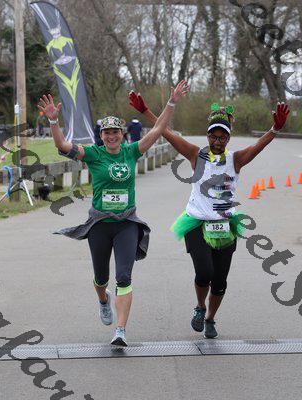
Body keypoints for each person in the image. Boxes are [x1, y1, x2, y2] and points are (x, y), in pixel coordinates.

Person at [39, 80, 190, 346]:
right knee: (101, 278)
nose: (111, 136)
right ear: (102, 135)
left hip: (126, 224)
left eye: (115, 132)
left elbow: (158, 129)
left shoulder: (131, 152)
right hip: (100, 224)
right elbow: (62, 145)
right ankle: (103, 299)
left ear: (122, 134)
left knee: (124, 276)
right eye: (107, 133)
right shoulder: (93, 154)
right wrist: (53, 121)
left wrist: (172, 102)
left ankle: (120, 330)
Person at [130, 92, 289, 338]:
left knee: (220, 280)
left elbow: (258, 146)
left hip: (225, 224)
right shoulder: (196, 155)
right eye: (213, 137)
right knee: (204, 272)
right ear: (208, 136)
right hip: (197, 223)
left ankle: (211, 318)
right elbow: (166, 132)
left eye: (222, 137)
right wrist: (145, 112)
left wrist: (274, 130)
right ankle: (200, 306)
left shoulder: (236, 160)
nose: (217, 141)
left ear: (228, 138)